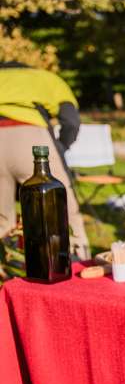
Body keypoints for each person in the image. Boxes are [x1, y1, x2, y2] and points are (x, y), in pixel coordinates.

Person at [0, 63, 90, 259]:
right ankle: (78, 264)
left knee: (2, 221)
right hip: (29, 136)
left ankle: (7, 273)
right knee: (62, 209)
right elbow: (71, 121)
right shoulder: (46, 78)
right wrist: (61, 147)